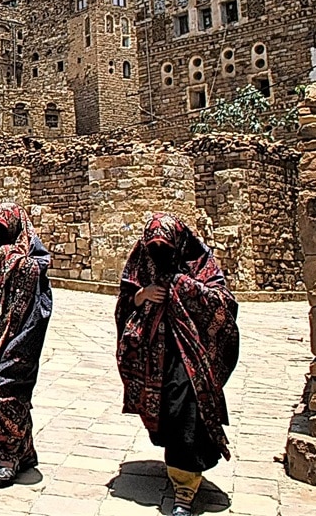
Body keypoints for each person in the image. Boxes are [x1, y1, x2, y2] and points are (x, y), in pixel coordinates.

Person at [115, 213, 240, 516]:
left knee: (185, 406)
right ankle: (178, 467)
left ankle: (184, 488)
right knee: (166, 412)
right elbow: (124, 301)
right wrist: (142, 295)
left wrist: (181, 286)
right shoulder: (143, 259)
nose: (160, 254)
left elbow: (225, 303)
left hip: (192, 354)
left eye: (165, 248)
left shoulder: (199, 262)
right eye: (154, 247)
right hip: (153, 353)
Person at [0, 201, 53, 487]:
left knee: (2, 388)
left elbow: (40, 290)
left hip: (21, 336)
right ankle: (22, 450)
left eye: (3, 227)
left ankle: (9, 457)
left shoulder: (31, 254)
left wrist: (14, 262)